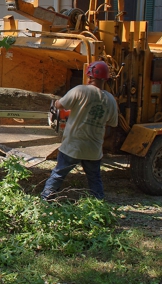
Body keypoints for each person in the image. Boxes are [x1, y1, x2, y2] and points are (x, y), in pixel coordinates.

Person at [41, 60, 118, 201]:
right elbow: (112, 123)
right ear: (105, 79)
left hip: (73, 145)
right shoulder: (110, 100)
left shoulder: (80, 90)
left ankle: (47, 199)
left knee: (58, 174)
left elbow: (59, 105)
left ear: (89, 77)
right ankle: (98, 204)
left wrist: (57, 102)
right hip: (93, 149)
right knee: (95, 179)